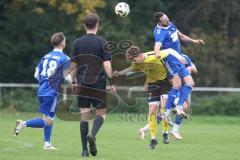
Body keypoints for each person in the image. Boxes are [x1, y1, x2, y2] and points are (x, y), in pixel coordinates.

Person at [114, 46, 183, 149]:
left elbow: (169, 51)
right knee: (152, 111)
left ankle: (165, 133)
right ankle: (153, 139)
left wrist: (180, 58)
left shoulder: (154, 56)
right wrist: (119, 73)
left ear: (140, 55)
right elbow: (131, 69)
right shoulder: (136, 63)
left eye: (134, 59)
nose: (134, 62)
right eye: (132, 60)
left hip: (165, 82)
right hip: (152, 84)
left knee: (164, 106)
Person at [13, 32, 70, 150]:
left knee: (47, 118)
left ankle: (47, 144)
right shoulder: (65, 58)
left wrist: (44, 83)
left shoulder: (45, 56)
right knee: (49, 121)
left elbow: (36, 75)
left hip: (41, 91)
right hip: (51, 92)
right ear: (63, 43)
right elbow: (66, 76)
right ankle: (23, 124)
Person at [70, 13, 116, 157]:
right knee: (101, 114)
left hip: (83, 82)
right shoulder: (103, 42)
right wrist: (112, 82)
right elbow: (107, 64)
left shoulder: (77, 42)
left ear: (84, 25)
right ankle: (93, 134)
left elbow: (73, 65)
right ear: (97, 25)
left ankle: (84, 151)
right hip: (98, 82)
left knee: (84, 115)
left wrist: (73, 81)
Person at [153, 11, 204, 122]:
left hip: (179, 58)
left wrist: (193, 41)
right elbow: (157, 46)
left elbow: (180, 35)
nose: (167, 20)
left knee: (190, 83)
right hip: (170, 61)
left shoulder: (170, 24)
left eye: (167, 18)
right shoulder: (160, 32)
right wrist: (157, 52)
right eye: (164, 20)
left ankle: (179, 107)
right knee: (177, 85)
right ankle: (166, 113)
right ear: (159, 22)